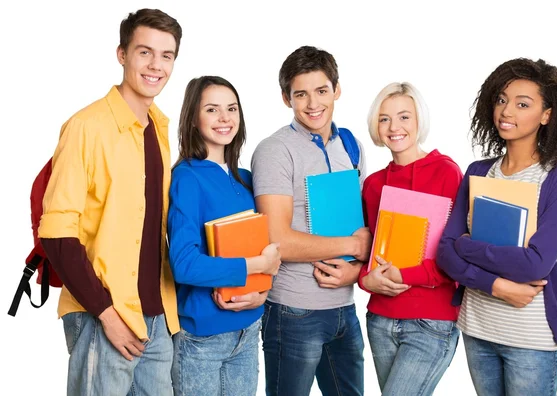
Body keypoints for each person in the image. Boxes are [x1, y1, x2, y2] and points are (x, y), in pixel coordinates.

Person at [37, 8, 182, 396]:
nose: (156, 66)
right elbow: (57, 233)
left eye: (167, 56)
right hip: (102, 314)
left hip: (156, 316)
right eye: (144, 52)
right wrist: (107, 314)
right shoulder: (86, 126)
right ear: (122, 54)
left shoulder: (161, 128)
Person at [437, 58, 557, 396]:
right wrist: (497, 285)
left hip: (529, 339)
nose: (507, 111)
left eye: (523, 104)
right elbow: (445, 253)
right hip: (477, 329)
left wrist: (467, 246)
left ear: (546, 115)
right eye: (502, 100)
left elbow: (535, 263)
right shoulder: (477, 171)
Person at [251, 45, 372, 396]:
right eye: (300, 94)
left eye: (321, 91)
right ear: (286, 98)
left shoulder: (350, 145)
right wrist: (354, 245)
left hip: (344, 309)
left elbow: (361, 222)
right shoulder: (275, 150)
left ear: (337, 89)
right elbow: (278, 240)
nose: (312, 103)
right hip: (293, 311)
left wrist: (354, 269)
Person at [167, 76, 281, 396]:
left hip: (248, 330)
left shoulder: (246, 179)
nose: (225, 118)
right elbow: (185, 264)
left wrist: (260, 294)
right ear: (193, 118)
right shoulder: (187, 177)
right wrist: (257, 264)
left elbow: (267, 253)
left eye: (232, 108)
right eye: (212, 109)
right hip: (204, 340)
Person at [358, 82, 462, 395]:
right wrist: (366, 280)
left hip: (431, 322)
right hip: (381, 321)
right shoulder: (374, 185)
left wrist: (404, 275)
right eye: (384, 119)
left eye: (404, 117)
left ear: (419, 121)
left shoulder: (447, 172)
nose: (394, 127)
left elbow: (455, 256)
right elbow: (368, 254)